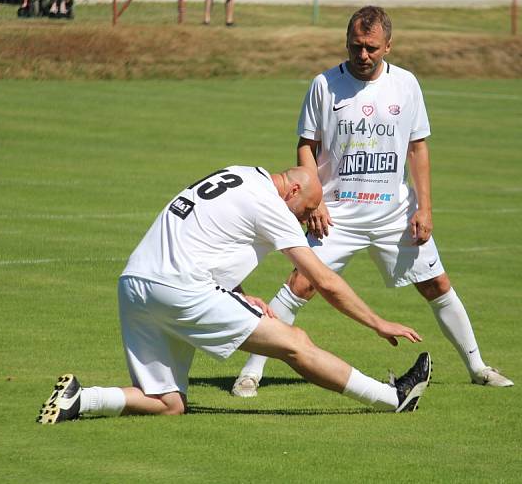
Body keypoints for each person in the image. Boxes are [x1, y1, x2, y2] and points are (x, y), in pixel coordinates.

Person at [232, 6, 514, 398]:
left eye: (371, 48)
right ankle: (251, 372)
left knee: (436, 285)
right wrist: (314, 203)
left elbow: (418, 148)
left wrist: (425, 208)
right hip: (336, 215)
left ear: (388, 46)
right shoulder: (324, 85)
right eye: (355, 47)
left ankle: (478, 367)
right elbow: (306, 146)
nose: (362, 55)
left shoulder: (407, 85)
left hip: (393, 214)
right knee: (301, 283)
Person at [36, 165, 433, 424]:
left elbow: (209, 239)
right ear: (293, 190)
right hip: (180, 288)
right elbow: (323, 280)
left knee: (168, 403)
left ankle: (80, 400)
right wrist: (378, 323)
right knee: (294, 342)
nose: (305, 220)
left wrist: (239, 293)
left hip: (135, 286)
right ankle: (392, 398)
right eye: (306, 210)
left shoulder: (239, 174)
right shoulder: (272, 206)